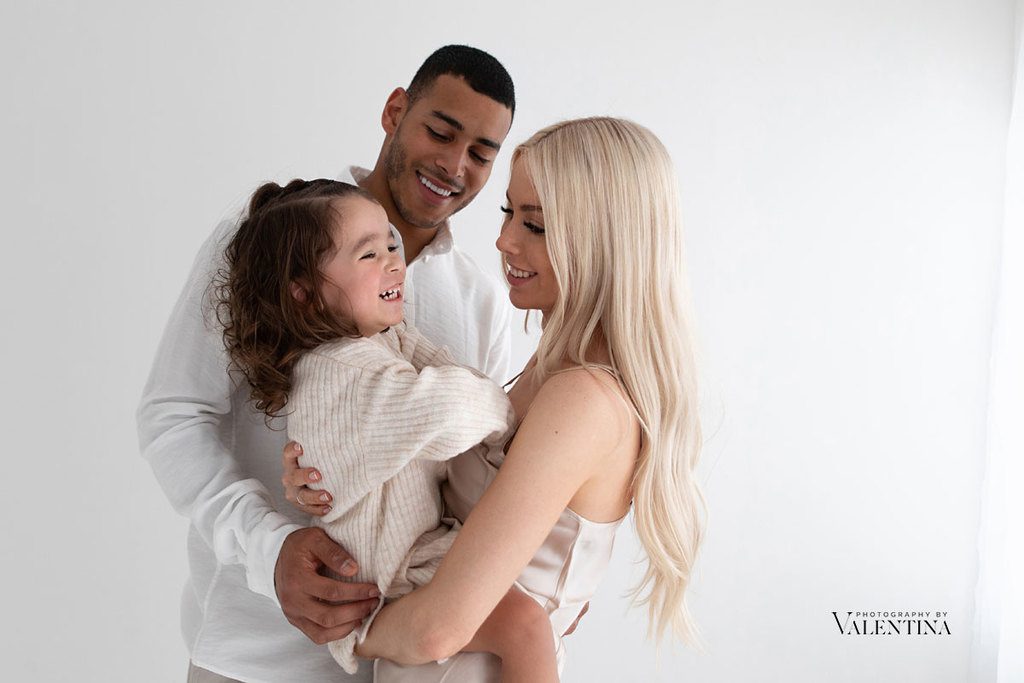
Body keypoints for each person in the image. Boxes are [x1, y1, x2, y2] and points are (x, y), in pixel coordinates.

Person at [137, 45, 516, 683]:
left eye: (481, 153)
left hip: (411, 659)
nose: (454, 165)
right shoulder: (267, 240)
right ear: (395, 111)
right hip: (255, 658)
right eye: (440, 132)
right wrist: (270, 547)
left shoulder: (480, 300)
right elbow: (173, 415)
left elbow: (479, 467)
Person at [284, 117, 707, 680]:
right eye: (509, 213)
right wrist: (332, 467)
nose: (505, 240)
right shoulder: (546, 372)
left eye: (535, 224)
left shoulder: (583, 398)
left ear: (602, 239)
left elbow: (443, 628)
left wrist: (348, 632)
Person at [215, 177, 559, 682]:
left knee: (534, 602)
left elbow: (454, 383)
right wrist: (507, 408)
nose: (394, 262)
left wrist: (486, 401)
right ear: (305, 293)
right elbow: (460, 407)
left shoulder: (380, 341)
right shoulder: (344, 373)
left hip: (408, 562)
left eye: (390, 244)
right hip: (392, 583)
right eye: (368, 255)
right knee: (527, 624)